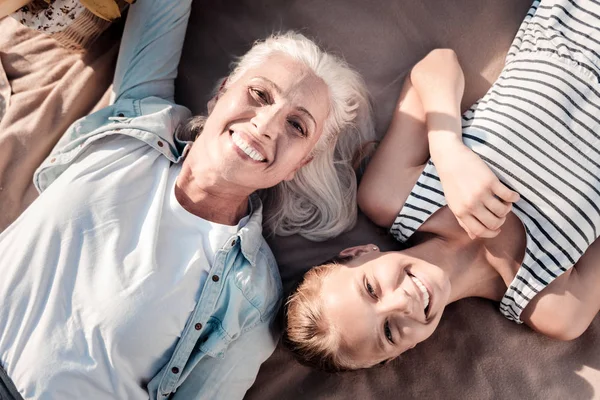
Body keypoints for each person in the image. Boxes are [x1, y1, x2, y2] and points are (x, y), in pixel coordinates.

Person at [0, 0, 374, 398]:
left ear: (300, 164)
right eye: (260, 94)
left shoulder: (251, 293)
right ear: (221, 93)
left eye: (297, 125)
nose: (265, 125)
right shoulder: (139, 117)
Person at [283, 0, 600, 372]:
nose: (400, 304)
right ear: (399, 354)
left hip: (576, 26)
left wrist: (449, 152)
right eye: (387, 332)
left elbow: (436, 67)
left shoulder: (391, 196)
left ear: (360, 252)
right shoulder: (556, 308)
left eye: (370, 289)